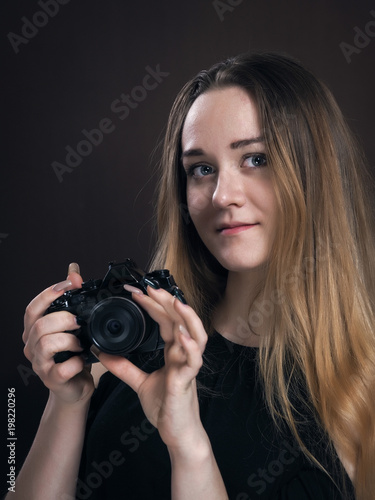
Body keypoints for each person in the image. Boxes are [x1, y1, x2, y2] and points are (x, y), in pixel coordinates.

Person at [8, 52, 375, 500]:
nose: (222, 195)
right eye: (201, 169)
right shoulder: (130, 347)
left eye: (256, 158)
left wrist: (188, 445)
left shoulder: (362, 399)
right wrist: (66, 401)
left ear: (316, 173)